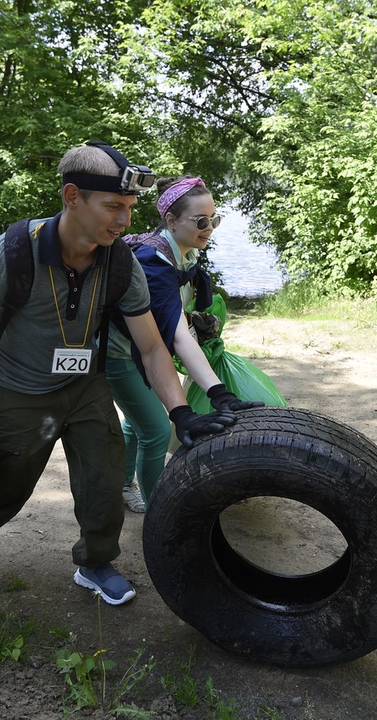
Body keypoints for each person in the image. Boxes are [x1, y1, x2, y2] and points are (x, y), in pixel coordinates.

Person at [0, 142, 240, 606]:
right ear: (72, 196)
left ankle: (95, 564)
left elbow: (152, 345)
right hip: (21, 391)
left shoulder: (120, 261)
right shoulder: (14, 252)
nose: (124, 221)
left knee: (103, 480)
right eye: (114, 206)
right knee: (1, 490)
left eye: (131, 208)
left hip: (86, 386)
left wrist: (180, 413)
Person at [108, 176, 263, 512]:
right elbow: (177, 336)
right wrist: (219, 393)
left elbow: (179, 320)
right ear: (171, 220)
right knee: (156, 429)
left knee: (139, 420)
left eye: (214, 219)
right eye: (201, 221)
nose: (210, 228)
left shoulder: (184, 252)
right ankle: (158, 512)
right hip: (119, 354)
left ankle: (121, 484)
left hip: (145, 352)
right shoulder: (153, 263)